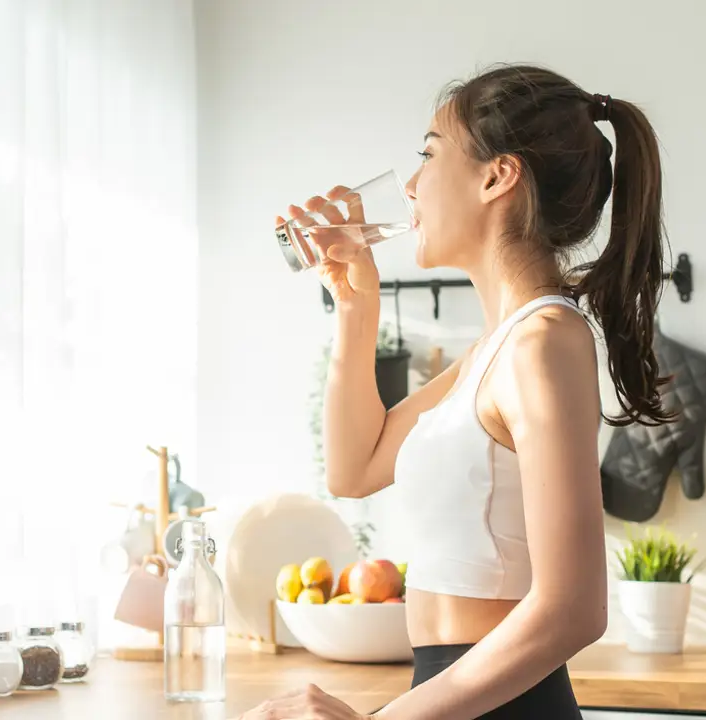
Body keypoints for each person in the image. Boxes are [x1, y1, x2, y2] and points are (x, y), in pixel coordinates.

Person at [243, 63, 676, 720]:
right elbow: (354, 468)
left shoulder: (543, 341)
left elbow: (575, 608)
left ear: (497, 176)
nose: (411, 187)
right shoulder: (494, 349)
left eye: (428, 155)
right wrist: (358, 308)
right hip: (454, 696)